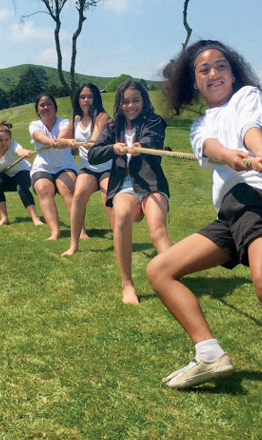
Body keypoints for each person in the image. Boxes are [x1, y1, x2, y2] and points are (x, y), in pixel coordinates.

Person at [149, 40, 262, 437]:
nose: (213, 74)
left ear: (233, 74)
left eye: (220, 66)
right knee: (160, 269)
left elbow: (252, 129)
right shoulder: (199, 125)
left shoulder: (248, 95)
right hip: (231, 209)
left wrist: (257, 151)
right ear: (193, 82)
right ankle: (208, 353)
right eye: (204, 70)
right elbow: (211, 146)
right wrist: (229, 156)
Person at [88, 80, 172, 305]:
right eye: (125, 101)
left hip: (151, 183)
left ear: (143, 101)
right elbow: (93, 154)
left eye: (136, 100)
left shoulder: (155, 122)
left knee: (156, 229)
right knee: (122, 215)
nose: (130, 105)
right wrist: (111, 148)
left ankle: (174, 275)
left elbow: (152, 140)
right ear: (119, 104)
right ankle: (127, 284)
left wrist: (138, 146)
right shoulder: (112, 126)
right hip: (123, 184)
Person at [60, 83, 114, 256]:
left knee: (109, 200)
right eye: (82, 97)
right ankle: (73, 245)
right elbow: (61, 138)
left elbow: (95, 137)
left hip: (107, 167)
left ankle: (119, 240)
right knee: (78, 197)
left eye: (90, 96)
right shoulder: (76, 119)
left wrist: (87, 142)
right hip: (87, 169)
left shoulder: (102, 116)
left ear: (96, 98)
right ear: (78, 100)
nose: (86, 100)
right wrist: (68, 141)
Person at [29, 93, 80, 241]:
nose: (45, 107)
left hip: (65, 165)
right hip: (43, 167)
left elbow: (64, 134)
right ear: (38, 109)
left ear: (55, 106)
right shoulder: (35, 125)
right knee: (43, 190)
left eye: (49, 104)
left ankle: (80, 231)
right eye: (42, 105)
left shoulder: (63, 123)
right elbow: (38, 136)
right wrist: (52, 142)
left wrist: (61, 140)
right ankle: (55, 231)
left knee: (67, 189)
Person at [0, 121, 44, 226]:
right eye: (0, 140)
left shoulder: (14, 146)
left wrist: (25, 152)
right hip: (8, 176)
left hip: (24, 173)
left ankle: (35, 218)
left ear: (10, 139)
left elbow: (19, 151)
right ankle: (4, 218)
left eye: (7, 140)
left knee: (20, 186)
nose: (4, 143)